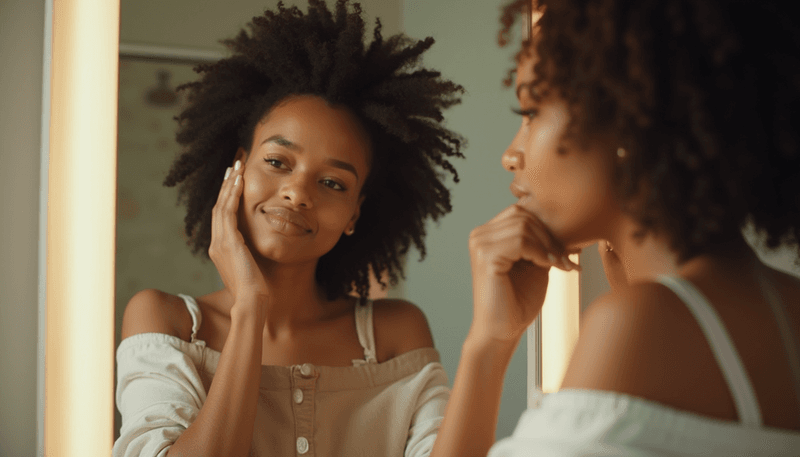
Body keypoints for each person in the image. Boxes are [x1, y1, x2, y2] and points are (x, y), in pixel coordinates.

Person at [429, 0, 800, 455]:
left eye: (530, 112)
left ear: (627, 118)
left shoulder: (637, 321)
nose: (510, 155)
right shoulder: (786, 304)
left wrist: (487, 345)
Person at [113, 1, 465, 456]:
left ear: (354, 213)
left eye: (333, 183)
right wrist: (250, 306)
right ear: (237, 167)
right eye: (278, 162)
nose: (298, 193)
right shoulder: (168, 323)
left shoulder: (395, 334)